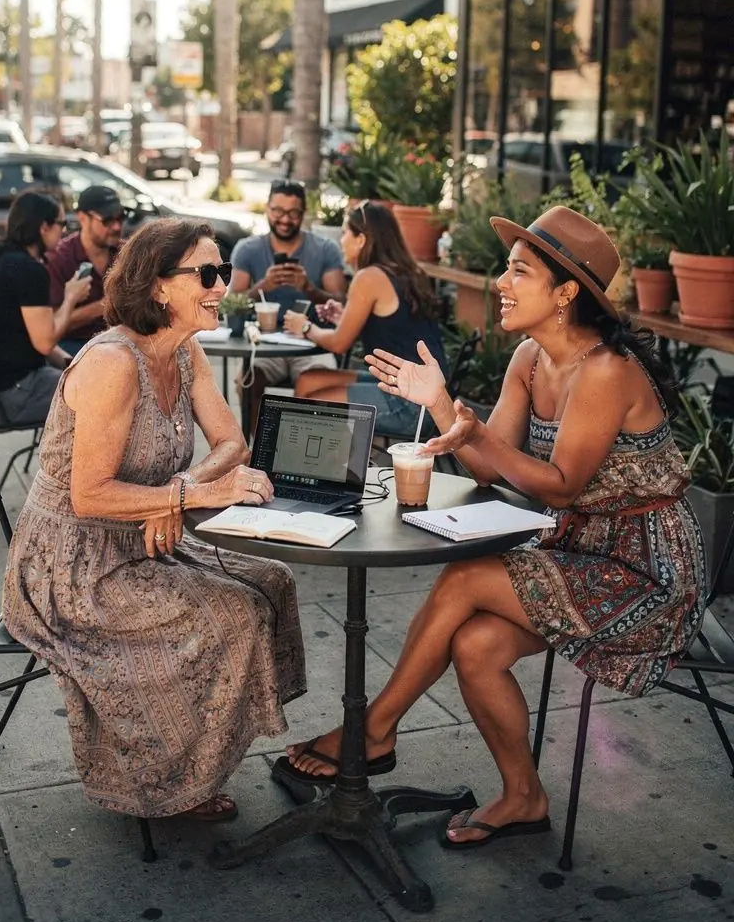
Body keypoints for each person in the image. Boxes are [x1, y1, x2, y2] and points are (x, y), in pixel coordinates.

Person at [286, 206, 708, 847]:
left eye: (518, 271)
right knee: (476, 647)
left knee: (467, 578)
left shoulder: (606, 373)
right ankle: (523, 797)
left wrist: (472, 428)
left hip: (644, 572)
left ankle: (375, 730)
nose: (500, 284)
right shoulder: (530, 359)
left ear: (566, 292)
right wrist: (440, 406)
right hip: (576, 550)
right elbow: (493, 470)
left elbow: (560, 482)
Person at [2, 217, 306, 823]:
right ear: (160, 287)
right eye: (208, 274)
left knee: (273, 579)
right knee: (235, 611)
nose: (223, 285)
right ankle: (168, 782)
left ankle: (204, 753)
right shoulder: (115, 363)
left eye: (223, 272)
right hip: (71, 566)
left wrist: (177, 491)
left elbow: (231, 443)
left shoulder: (184, 349)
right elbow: (89, 496)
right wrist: (181, 499)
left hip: (138, 535)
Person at [282, 199, 447, 438]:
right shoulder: (403, 271)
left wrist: (304, 326)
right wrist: (345, 318)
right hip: (416, 389)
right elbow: (395, 329)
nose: (341, 241)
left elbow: (339, 344)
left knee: (313, 406)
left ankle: (318, 465)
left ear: (361, 239)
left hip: (411, 404)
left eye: (344, 233)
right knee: (308, 380)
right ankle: (304, 461)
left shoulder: (368, 277)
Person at [0, 191, 92, 426]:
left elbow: (35, 338)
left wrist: (70, 363)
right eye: (61, 224)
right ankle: (75, 463)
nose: (64, 231)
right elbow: (44, 342)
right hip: (11, 395)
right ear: (44, 227)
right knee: (105, 395)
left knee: (90, 380)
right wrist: (70, 298)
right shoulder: (28, 271)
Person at [229, 178, 347, 418]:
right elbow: (231, 304)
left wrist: (308, 288)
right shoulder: (248, 248)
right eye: (278, 211)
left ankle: (300, 451)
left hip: (313, 343)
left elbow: (340, 302)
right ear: (267, 209)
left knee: (316, 387)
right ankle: (261, 451)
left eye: (293, 213)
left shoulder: (325, 249)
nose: (285, 219)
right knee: (248, 382)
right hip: (264, 343)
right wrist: (265, 285)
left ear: (304, 213)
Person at [46, 184, 125, 354]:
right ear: (82, 218)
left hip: (121, 342)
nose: (117, 227)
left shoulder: (126, 254)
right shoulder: (60, 258)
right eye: (107, 220)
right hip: (74, 344)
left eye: (121, 218)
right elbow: (50, 324)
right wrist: (105, 304)